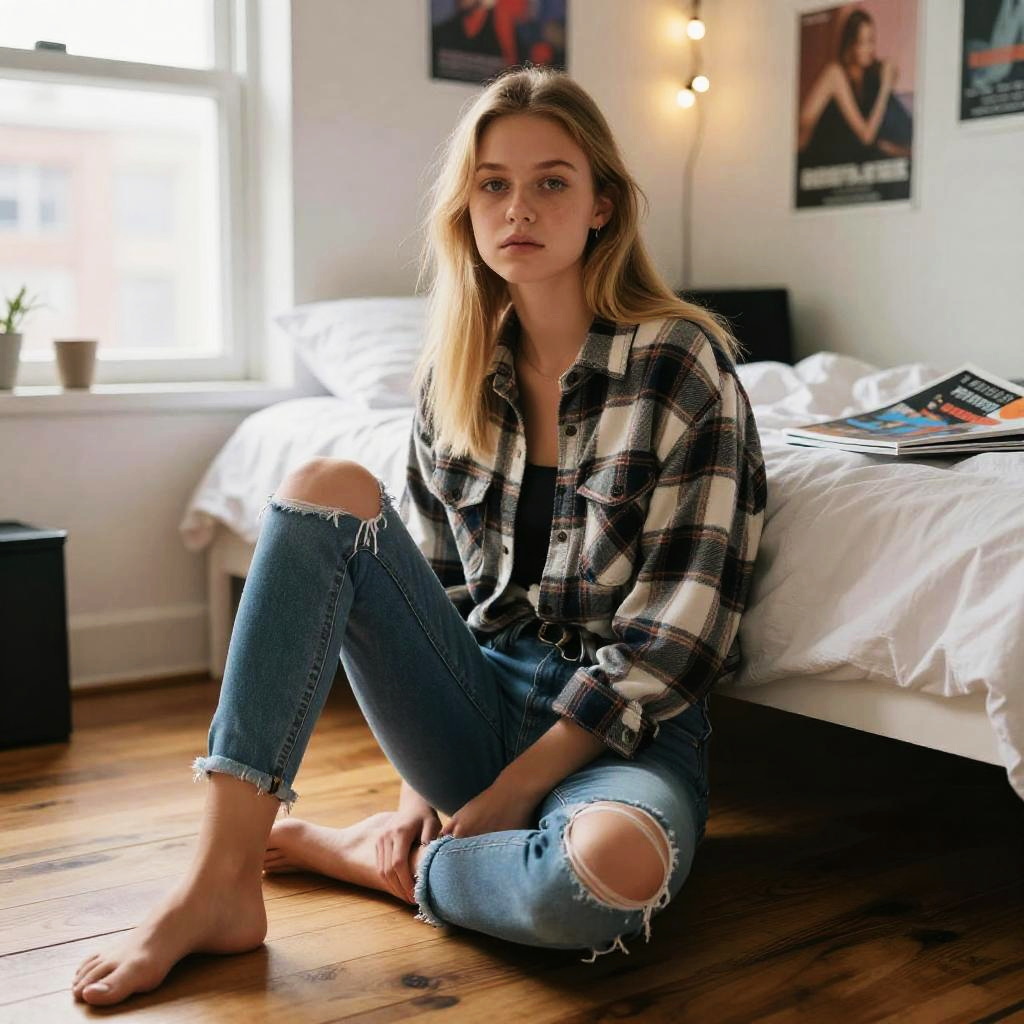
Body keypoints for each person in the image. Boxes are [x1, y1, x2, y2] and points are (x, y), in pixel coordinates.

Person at [71, 65, 767, 1007]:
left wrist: (513, 792)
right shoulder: (454, 376)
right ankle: (217, 880)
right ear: (467, 208)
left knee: (607, 879)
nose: (518, 205)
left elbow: (676, 642)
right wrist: (420, 792)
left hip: (624, 740)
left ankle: (370, 864)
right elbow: (433, 603)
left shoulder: (682, 363)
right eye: (493, 183)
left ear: (602, 203)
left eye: (552, 181)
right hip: (475, 696)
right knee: (324, 485)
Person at [798, 8, 913, 166]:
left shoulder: (865, 76)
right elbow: (866, 137)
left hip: (843, 152)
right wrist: (885, 87)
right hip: (815, 154)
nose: (869, 49)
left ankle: (908, 147)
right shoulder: (835, 74)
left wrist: (888, 73)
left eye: (871, 41)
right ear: (849, 45)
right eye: (861, 43)